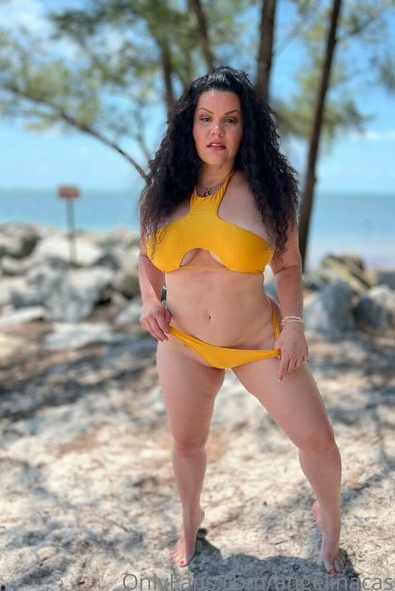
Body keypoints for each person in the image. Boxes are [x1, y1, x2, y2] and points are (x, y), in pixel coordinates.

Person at [138, 66, 346, 575]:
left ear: (245, 129)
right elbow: (145, 257)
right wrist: (149, 300)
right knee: (187, 444)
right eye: (205, 118)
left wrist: (293, 323)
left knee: (319, 440)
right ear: (189, 126)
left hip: (258, 343)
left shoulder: (268, 193)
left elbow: (288, 266)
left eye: (230, 120)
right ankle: (190, 518)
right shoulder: (162, 193)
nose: (217, 130)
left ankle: (330, 514)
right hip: (183, 344)